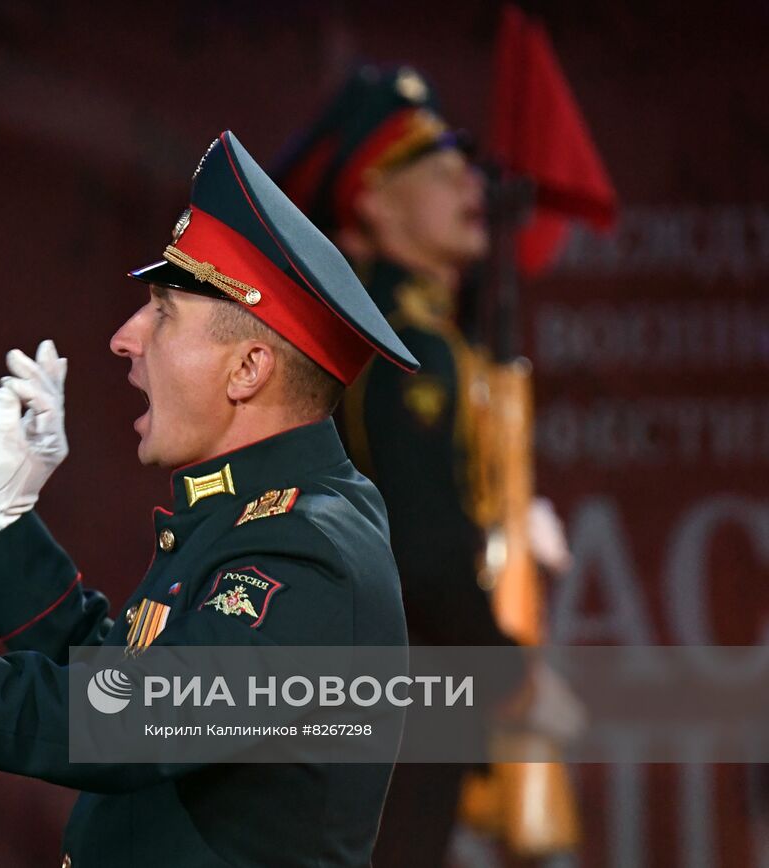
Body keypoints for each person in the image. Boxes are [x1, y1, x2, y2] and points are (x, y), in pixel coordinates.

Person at [0, 131, 418, 867]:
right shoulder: (261, 516)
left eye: (162, 311)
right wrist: (5, 532)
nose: (125, 338)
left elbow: (133, 725)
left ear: (249, 368)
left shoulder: (306, 547)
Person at [274, 64, 576, 866]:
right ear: (372, 197)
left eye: (464, 164)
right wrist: (516, 673)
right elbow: (425, 549)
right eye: (436, 169)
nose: (466, 182)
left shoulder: (399, 328)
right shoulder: (405, 339)